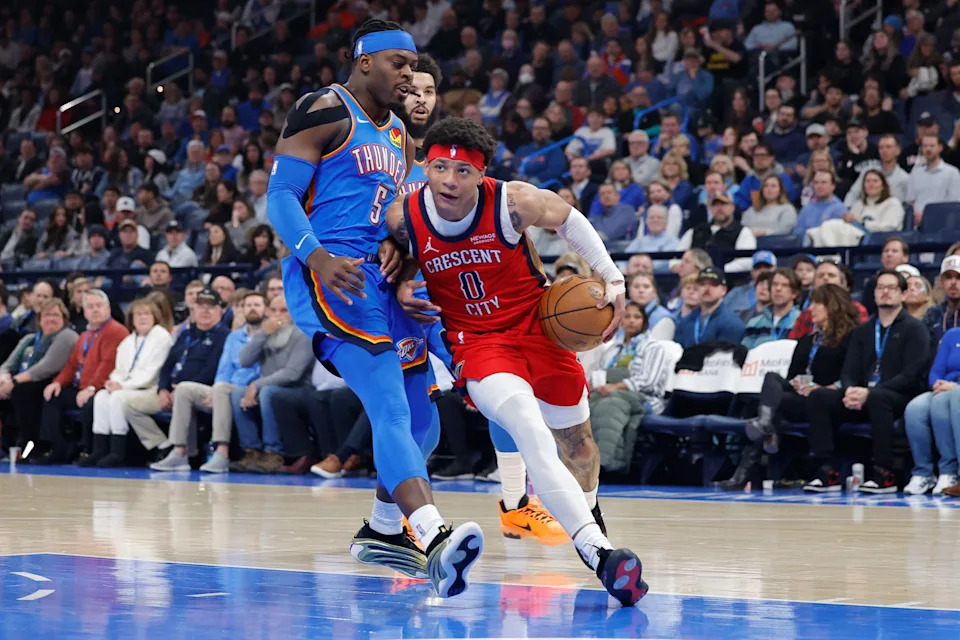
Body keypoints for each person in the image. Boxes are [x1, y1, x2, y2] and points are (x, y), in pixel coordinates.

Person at [387, 116, 647, 605]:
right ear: (426, 165)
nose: (449, 181)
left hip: (539, 329)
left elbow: (569, 218)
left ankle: (590, 524)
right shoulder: (405, 216)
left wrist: (613, 280)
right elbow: (390, 254)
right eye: (439, 167)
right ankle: (598, 552)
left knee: (581, 451)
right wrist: (400, 280)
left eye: (463, 173)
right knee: (528, 427)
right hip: (478, 342)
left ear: (482, 174)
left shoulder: (512, 201)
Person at [266, 21, 482, 597]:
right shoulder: (322, 108)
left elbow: (398, 219)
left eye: (413, 69)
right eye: (397, 65)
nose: (408, 78)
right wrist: (315, 258)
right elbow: (281, 195)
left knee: (423, 420)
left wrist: (404, 257)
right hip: (336, 275)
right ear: (363, 62)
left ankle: (383, 528)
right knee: (387, 406)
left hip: (385, 280)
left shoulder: (401, 138)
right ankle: (434, 536)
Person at [804, 270, 930, 493]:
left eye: (891, 288)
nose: (885, 292)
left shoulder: (915, 329)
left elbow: (912, 375)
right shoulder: (863, 331)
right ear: (873, 294)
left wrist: (871, 392)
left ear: (902, 294)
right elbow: (848, 370)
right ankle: (827, 470)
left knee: (879, 397)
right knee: (820, 396)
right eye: (880, 287)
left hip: (899, 396)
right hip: (863, 395)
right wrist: (851, 389)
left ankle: (885, 473)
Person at [151, 291, 264, 474]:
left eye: (257, 305)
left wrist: (219, 387)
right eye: (248, 305)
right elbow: (223, 369)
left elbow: (261, 368)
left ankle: (221, 452)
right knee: (185, 389)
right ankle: (180, 451)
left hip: (246, 388)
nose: (205, 311)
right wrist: (164, 388)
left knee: (219, 388)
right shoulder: (233, 337)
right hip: (222, 388)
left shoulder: (231, 334)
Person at [742, 284, 860, 458]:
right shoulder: (807, 340)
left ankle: (755, 456)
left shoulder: (852, 337)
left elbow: (853, 375)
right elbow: (792, 374)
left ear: (832, 305)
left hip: (829, 398)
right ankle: (765, 423)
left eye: (816, 303)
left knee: (772, 405)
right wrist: (795, 383)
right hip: (801, 395)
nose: (810, 308)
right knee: (772, 379)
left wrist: (821, 388)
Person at [123, 289, 229, 461]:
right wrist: (163, 389)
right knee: (129, 405)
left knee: (184, 392)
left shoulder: (223, 336)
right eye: (201, 307)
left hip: (201, 390)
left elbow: (211, 369)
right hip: (171, 392)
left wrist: (178, 390)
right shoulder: (187, 333)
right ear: (193, 310)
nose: (205, 311)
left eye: (210, 307)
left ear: (220, 311)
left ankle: (182, 453)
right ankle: (162, 445)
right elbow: (167, 364)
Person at [34, 290, 129, 464]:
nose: (95, 310)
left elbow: (108, 365)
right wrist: (58, 382)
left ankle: (88, 449)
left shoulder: (115, 331)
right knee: (53, 397)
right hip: (82, 386)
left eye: (99, 306)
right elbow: (71, 365)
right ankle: (58, 448)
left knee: (90, 402)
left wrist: (91, 388)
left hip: (102, 386)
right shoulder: (85, 335)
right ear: (84, 312)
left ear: (108, 308)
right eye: (90, 307)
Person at [224, 293, 314, 473]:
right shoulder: (265, 333)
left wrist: (257, 385)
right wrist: (262, 334)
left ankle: (273, 452)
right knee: (236, 393)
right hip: (271, 387)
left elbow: (292, 373)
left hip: (300, 390)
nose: (277, 315)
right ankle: (251, 451)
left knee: (267, 392)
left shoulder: (303, 333)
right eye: (273, 310)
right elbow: (244, 360)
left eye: (283, 310)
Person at [87, 299, 174, 467]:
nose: (142, 318)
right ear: (132, 319)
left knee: (117, 398)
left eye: (146, 314)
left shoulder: (161, 337)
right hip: (128, 387)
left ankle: (118, 452)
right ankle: (100, 449)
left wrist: (123, 386)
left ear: (155, 317)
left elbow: (153, 371)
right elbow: (120, 370)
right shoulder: (128, 341)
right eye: (138, 314)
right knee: (101, 397)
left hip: (150, 389)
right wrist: (113, 382)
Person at [0, 300, 78, 457]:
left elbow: (47, 366)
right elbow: (7, 364)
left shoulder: (67, 336)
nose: (51, 319)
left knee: (22, 392)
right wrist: (4, 378)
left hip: (51, 381)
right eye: (47, 315)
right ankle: (6, 445)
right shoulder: (29, 339)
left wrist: (14, 382)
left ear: (64, 318)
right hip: (23, 380)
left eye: (56, 315)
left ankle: (31, 446)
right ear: (40, 319)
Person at [903, 326, 960, 496]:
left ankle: (950, 470)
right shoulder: (952, 335)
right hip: (944, 388)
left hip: (954, 391)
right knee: (916, 407)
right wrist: (937, 383)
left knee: (950, 397)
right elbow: (935, 372)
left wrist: (955, 387)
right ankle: (924, 473)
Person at [807, 169, 905, 247]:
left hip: (878, 240)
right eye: (867, 181)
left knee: (831, 225)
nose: (871, 184)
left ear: (883, 185)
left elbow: (890, 226)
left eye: (875, 181)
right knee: (827, 226)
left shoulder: (893, 203)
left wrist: (862, 223)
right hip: (855, 237)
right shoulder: (858, 204)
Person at [677, 193, 756, 274]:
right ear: (710, 209)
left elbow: (746, 262)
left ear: (733, 207)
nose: (719, 208)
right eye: (716, 205)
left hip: (730, 281)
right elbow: (676, 257)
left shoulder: (743, 231)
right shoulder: (695, 231)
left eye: (724, 204)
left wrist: (716, 270)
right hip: (693, 279)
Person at [674, 267, 746, 348]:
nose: (707, 288)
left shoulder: (732, 323)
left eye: (713, 284)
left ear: (723, 290)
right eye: (702, 284)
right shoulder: (685, 322)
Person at [906, 135, 960, 228]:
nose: (928, 149)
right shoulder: (915, 172)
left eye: (932, 146)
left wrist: (929, 216)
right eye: (925, 146)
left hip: (942, 223)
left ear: (940, 148)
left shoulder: (952, 172)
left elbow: (954, 204)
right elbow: (910, 201)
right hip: (917, 223)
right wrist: (916, 214)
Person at [741, 269, 801, 349]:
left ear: (794, 293)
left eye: (784, 285)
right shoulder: (754, 323)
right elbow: (744, 353)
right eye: (775, 284)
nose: (778, 289)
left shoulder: (802, 321)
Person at [726, 251, 777, 322]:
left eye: (767, 266)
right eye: (758, 267)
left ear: (775, 269)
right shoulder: (736, 293)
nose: (762, 270)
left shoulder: (780, 291)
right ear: (752, 271)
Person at [923, 255, 960, 347]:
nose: (953, 282)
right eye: (948, 277)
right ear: (942, 282)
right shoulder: (933, 314)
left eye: (958, 277)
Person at [626, 272, 675, 340]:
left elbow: (657, 349)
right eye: (636, 286)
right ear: (629, 291)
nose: (641, 290)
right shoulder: (620, 313)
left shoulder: (664, 319)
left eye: (646, 287)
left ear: (654, 292)